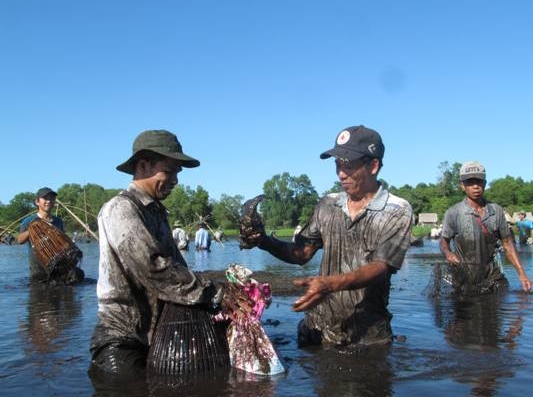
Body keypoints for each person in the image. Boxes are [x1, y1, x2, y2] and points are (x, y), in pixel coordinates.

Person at [241, 125, 413, 348]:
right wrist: (263, 241)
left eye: (349, 165)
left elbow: (382, 267)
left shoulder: (396, 210)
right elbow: (302, 253)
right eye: (338, 165)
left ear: (373, 166)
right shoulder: (328, 204)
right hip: (317, 328)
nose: (341, 174)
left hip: (366, 336)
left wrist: (331, 284)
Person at [90, 130, 227, 374]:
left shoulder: (158, 214)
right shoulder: (121, 209)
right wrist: (215, 293)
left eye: (177, 173)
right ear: (144, 165)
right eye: (170, 171)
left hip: (155, 335)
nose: (175, 180)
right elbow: (155, 269)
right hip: (122, 338)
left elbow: (177, 267)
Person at [439, 161, 531, 295]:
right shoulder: (453, 213)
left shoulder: (496, 211)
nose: (475, 186)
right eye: (470, 182)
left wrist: (522, 274)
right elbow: (443, 241)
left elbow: (507, 244)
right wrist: (448, 254)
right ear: (462, 186)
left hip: (492, 277)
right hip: (463, 278)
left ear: (485, 183)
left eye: (479, 181)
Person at [17, 187, 84, 284]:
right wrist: (31, 229)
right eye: (45, 198)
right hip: (37, 272)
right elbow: (20, 240)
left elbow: (63, 242)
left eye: (51, 198)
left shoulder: (58, 222)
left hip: (57, 270)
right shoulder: (28, 221)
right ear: (37, 202)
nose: (48, 201)